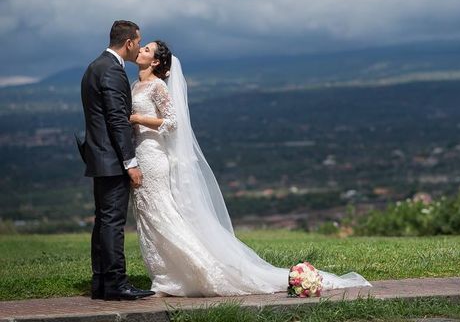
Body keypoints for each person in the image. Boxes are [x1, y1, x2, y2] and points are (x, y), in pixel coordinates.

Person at [130, 40, 370, 296]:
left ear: (155, 61)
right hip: (139, 154)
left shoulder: (157, 86)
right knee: (148, 218)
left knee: (161, 215)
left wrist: (137, 119)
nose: (141, 50)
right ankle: (167, 276)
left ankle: (194, 271)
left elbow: (173, 122)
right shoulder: (136, 85)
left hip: (154, 157)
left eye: (146, 49)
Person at [77, 20, 155, 301]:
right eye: (139, 41)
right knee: (112, 223)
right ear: (130, 43)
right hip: (111, 159)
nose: (138, 46)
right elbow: (117, 121)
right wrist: (131, 163)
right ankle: (116, 283)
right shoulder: (111, 70)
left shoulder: (94, 66)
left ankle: (100, 282)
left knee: (103, 222)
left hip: (99, 158)